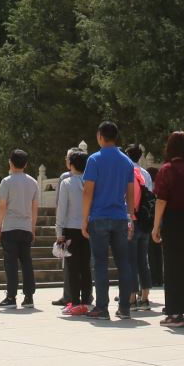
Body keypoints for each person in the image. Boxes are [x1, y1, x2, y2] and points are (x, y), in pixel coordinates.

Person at [79, 121, 139, 320]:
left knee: (100, 263)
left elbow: (88, 191)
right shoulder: (127, 162)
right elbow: (130, 193)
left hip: (99, 217)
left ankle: (102, 308)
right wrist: (130, 218)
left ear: (100, 136)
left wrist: (84, 218)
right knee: (124, 263)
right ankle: (125, 307)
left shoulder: (94, 159)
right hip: (120, 217)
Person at [151, 130, 184, 327]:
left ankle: (175, 313)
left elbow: (161, 200)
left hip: (172, 220)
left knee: (173, 267)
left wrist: (156, 226)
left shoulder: (166, 170)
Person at [0, 149, 40, 308]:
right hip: (26, 227)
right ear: (25, 164)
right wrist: (33, 228)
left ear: (10, 163)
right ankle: (29, 297)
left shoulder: (6, 182)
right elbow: (35, 208)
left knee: (11, 263)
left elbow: (2, 207)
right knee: (26, 262)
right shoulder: (33, 182)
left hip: (10, 227)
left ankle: (11, 297)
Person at [54, 148, 92, 313]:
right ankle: (87, 299)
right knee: (85, 266)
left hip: (70, 229)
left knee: (72, 267)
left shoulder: (67, 183)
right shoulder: (91, 182)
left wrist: (59, 233)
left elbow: (61, 209)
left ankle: (75, 302)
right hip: (88, 228)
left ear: (71, 164)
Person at [124, 143, 156, 309]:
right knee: (143, 259)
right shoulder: (145, 174)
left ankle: (131, 297)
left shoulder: (127, 173)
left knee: (130, 261)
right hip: (145, 221)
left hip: (132, 220)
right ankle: (145, 297)